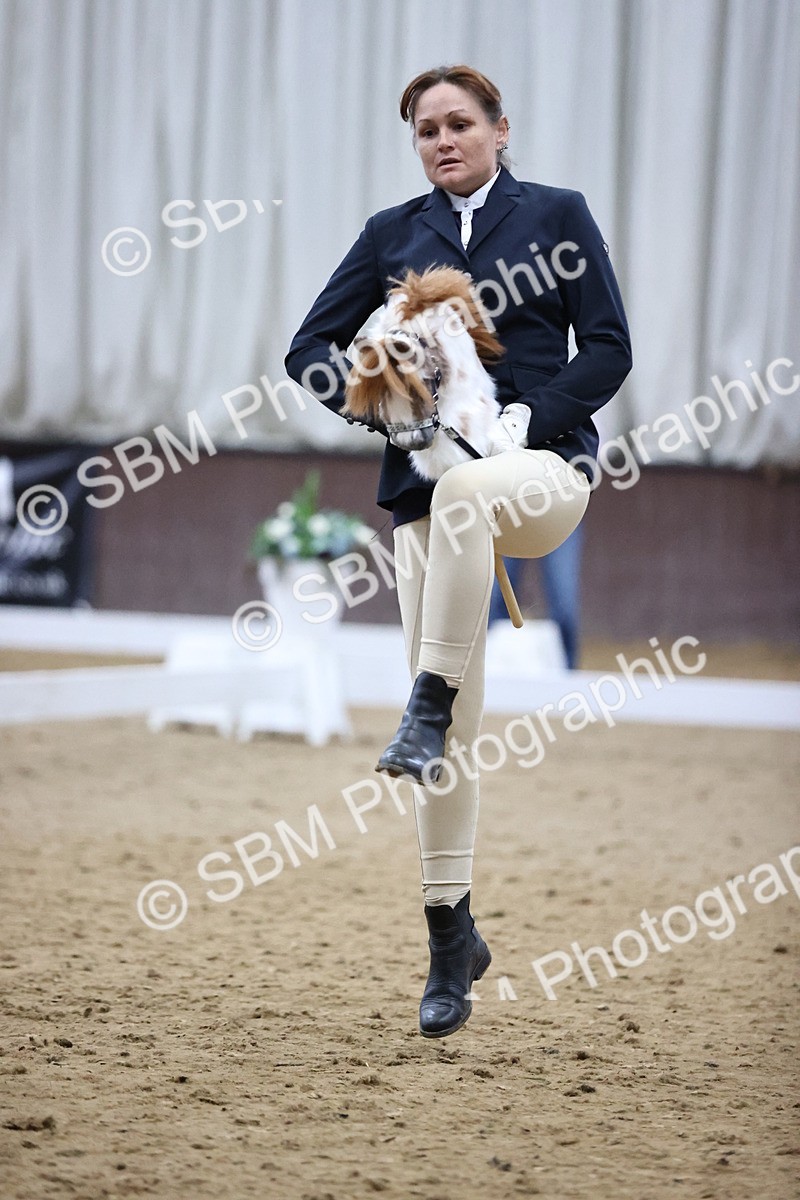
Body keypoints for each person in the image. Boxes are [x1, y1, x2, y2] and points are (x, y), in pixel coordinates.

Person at [285, 64, 632, 1038]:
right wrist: (384, 410)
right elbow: (307, 349)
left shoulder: (557, 213)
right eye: (425, 130)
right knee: (449, 748)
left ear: (497, 128)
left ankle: (421, 706)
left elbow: (607, 346)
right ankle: (449, 939)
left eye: (458, 124)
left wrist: (534, 414)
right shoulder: (388, 233)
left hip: (538, 477)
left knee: (472, 501)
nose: (442, 140)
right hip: (425, 500)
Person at [488, 525, 584, 669]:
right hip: (508, 514)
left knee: (564, 605)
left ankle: (568, 676)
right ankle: (488, 673)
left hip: (559, 515)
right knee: (493, 603)